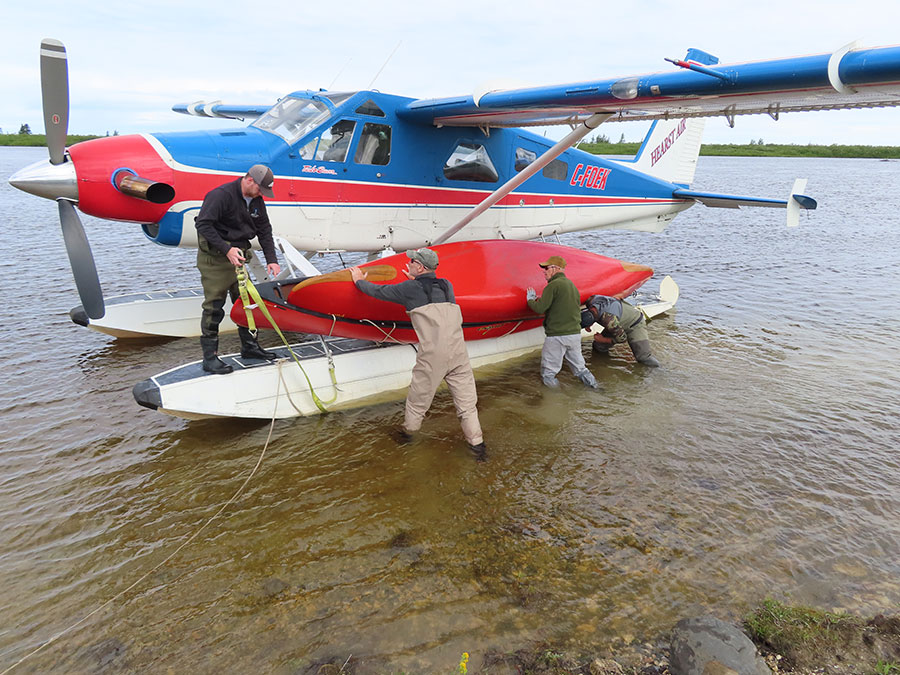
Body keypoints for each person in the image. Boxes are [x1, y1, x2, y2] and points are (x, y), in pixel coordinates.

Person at [348, 248, 486, 460]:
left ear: (420, 267)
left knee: (417, 401)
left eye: (412, 261)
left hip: (434, 356)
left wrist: (358, 280)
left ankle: (407, 436)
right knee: (467, 405)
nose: (409, 263)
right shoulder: (446, 285)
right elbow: (429, 294)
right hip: (459, 352)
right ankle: (478, 449)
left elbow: (378, 291)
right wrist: (415, 280)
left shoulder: (409, 288)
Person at [195, 164, 282, 374]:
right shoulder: (220, 196)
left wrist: (272, 259)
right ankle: (210, 358)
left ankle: (250, 347)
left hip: (239, 257)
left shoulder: (257, 200)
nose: (262, 194)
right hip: (216, 258)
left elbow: (264, 229)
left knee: (247, 302)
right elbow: (203, 225)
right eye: (260, 189)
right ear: (249, 180)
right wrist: (227, 250)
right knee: (214, 307)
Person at [526, 256, 600, 390]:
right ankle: (597, 389)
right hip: (574, 335)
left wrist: (530, 300)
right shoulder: (572, 286)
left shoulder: (552, 285)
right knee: (580, 369)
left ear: (555, 269)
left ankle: (556, 399)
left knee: (548, 374)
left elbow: (540, 308)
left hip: (557, 336)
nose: (544, 272)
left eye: (546, 268)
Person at [581, 295, 660, 367]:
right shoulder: (591, 301)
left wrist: (603, 339)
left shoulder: (609, 320)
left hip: (634, 324)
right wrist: (589, 324)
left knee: (643, 357)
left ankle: (659, 371)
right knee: (598, 346)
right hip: (617, 322)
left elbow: (622, 339)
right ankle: (604, 365)